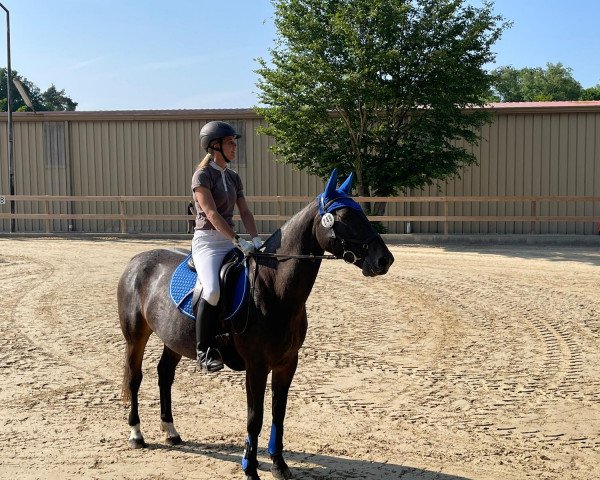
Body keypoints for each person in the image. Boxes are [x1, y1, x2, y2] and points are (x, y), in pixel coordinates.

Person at [191, 121, 262, 372]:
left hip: (232, 240)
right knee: (212, 291)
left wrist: (255, 239)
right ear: (215, 146)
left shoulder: (233, 177)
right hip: (208, 243)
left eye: (234, 142)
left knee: (253, 282)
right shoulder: (202, 175)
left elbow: (245, 211)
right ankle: (203, 350)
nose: (235, 147)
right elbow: (211, 213)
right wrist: (237, 240)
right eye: (230, 143)